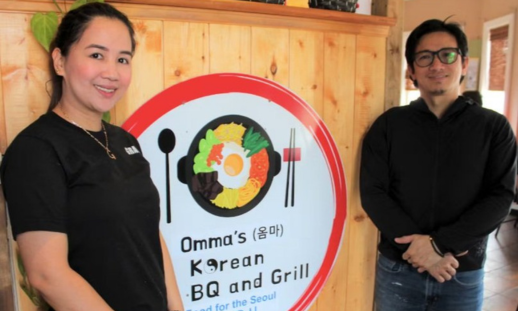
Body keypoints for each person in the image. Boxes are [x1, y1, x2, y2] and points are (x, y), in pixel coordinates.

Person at [0, 3, 184, 311]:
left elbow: (149, 234)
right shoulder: (36, 149)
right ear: (60, 61)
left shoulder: (125, 141)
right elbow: (47, 275)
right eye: (96, 55)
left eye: (122, 59)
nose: (112, 72)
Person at [360, 18, 517, 311]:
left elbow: (501, 196)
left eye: (447, 55)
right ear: (411, 70)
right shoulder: (389, 125)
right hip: (398, 270)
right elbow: (373, 192)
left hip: (461, 270)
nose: (436, 65)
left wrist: (438, 246)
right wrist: (422, 252)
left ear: (464, 64)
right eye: (424, 57)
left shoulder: (493, 127)